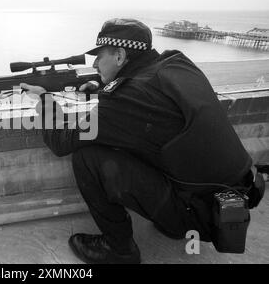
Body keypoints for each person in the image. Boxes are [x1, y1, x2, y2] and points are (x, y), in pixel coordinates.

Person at [20, 18, 264, 264]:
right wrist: (101, 86)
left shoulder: (124, 100)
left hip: (203, 214)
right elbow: (149, 100)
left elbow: (63, 142)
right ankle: (175, 224)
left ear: (119, 56)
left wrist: (46, 102)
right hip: (235, 194)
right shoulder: (175, 62)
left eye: (99, 56)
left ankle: (119, 250)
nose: (94, 63)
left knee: (87, 157)